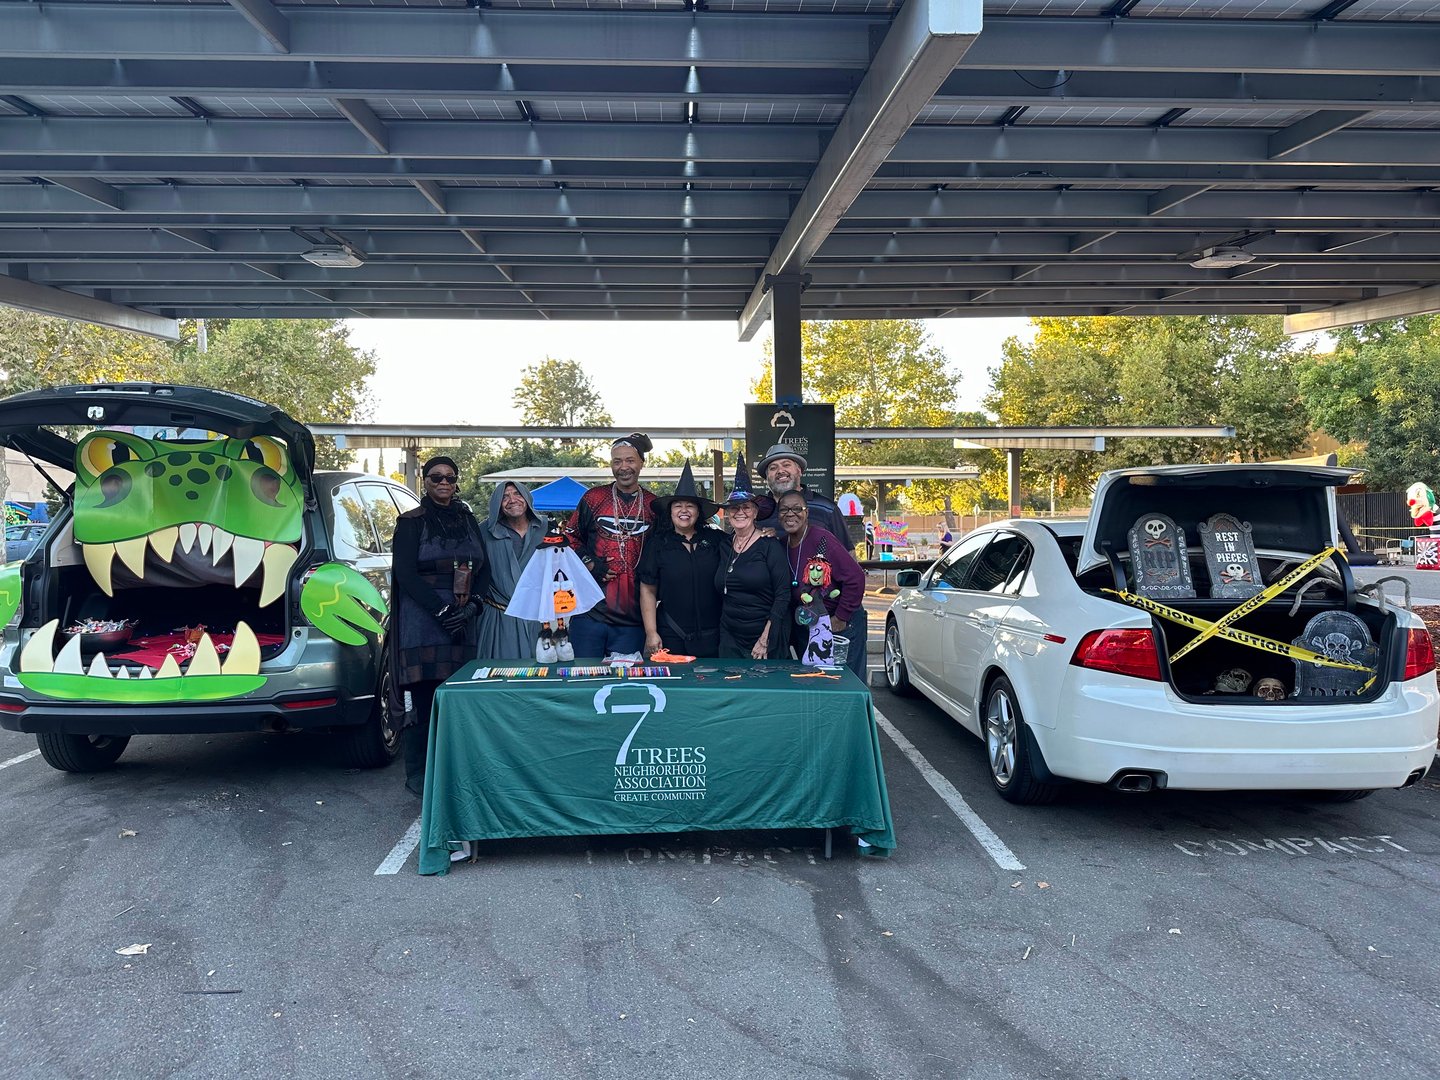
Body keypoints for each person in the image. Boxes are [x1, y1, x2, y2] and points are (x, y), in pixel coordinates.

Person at [390, 456, 488, 797]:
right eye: (436, 477)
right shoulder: (411, 522)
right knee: (424, 698)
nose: (443, 482)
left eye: (449, 477)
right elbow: (405, 574)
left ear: (456, 481)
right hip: (423, 621)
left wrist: (474, 606)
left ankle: (455, 769)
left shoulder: (468, 520)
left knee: (458, 698)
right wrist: (441, 609)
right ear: (425, 481)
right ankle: (418, 773)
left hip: (462, 620)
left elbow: (485, 569)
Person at [564, 432, 657, 657]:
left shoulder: (653, 505)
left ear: (642, 463)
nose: (623, 467)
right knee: (583, 674)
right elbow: (570, 537)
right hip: (589, 613)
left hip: (632, 618)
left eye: (630, 460)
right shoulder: (593, 498)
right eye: (617, 461)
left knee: (625, 678)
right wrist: (590, 563)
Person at [775, 490, 868, 681]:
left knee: (843, 682)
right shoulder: (781, 545)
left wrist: (841, 617)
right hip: (812, 625)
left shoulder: (822, 539)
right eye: (784, 510)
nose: (790, 514)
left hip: (840, 624)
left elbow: (856, 577)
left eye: (797, 509)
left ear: (807, 512)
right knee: (817, 681)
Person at [638, 461, 728, 658]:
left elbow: (745, 545)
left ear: (698, 512)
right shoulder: (658, 544)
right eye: (678, 506)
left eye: (690, 506)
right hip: (671, 634)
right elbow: (647, 590)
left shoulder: (717, 540)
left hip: (714, 636)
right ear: (670, 512)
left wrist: (764, 533)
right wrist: (651, 632)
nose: (684, 510)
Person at [714, 453, 789, 659]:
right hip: (729, 637)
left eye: (746, 507)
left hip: (763, 638)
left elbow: (783, 595)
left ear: (755, 513)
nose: (740, 512)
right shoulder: (723, 545)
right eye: (734, 508)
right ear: (728, 513)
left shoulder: (769, 545)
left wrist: (765, 639)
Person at [476, 480, 545, 660]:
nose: (512, 500)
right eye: (505, 497)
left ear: (527, 498)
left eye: (517, 494)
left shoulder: (545, 529)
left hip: (535, 617)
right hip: (498, 618)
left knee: (538, 669)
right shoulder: (484, 531)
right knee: (501, 672)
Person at [753, 442, 851, 542]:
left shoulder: (827, 508)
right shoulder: (755, 511)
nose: (780, 471)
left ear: (799, 470)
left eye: (786, 465)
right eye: (773, 468)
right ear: (767, 477)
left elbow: (846, 550)